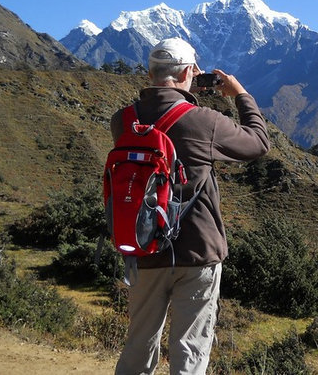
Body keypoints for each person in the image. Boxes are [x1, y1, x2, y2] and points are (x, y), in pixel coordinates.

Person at [110, 37, 270, 375]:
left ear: (150, 72)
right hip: (197, 251)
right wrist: (240, 93)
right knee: (190, 351)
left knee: (138, 346)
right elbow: (258, 143)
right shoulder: (203, 120)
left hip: (143, 246)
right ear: (188, 71)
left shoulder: (122, 121)